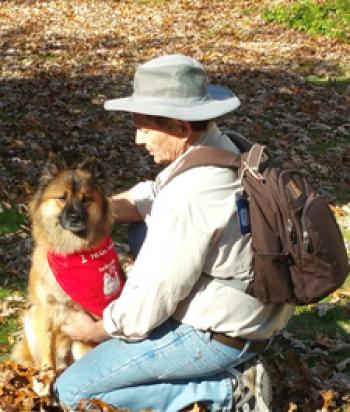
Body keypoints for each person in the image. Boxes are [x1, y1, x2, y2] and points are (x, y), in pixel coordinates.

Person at [54, 54, 294, 411]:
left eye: (145, 128)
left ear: (181, 128)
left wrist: (96, 330)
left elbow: (143, 310)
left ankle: (229, 391)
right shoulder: (225, 147)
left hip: (218, 335)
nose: (137, 138)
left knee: (73, 392)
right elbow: (152, 195)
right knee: (140, 225)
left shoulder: (189, 198)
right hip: (253, 313)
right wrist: (98, 211)